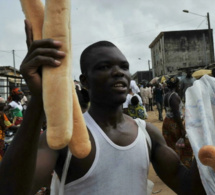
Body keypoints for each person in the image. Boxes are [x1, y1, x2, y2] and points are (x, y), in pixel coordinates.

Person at [0, 21, 206, 195]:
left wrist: (209, 136)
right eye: (104, 67)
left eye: (124, 67)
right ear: (85, 81)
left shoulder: (147, 133)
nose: (119, 73)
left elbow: (188, 187)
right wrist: (38, 99)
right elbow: (11, 189)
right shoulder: (65, 137)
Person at [162, 76, 193, 168]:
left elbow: (169, 111)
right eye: (179, 84)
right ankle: (185, 165)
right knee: (185, 146)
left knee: (171, 144)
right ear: (177, 85)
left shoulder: (166, 95)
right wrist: (182, 129)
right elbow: (176, 114)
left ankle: (173, 165)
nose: (180, 86)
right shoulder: (174, 96)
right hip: (175, 124)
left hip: (167, 122)